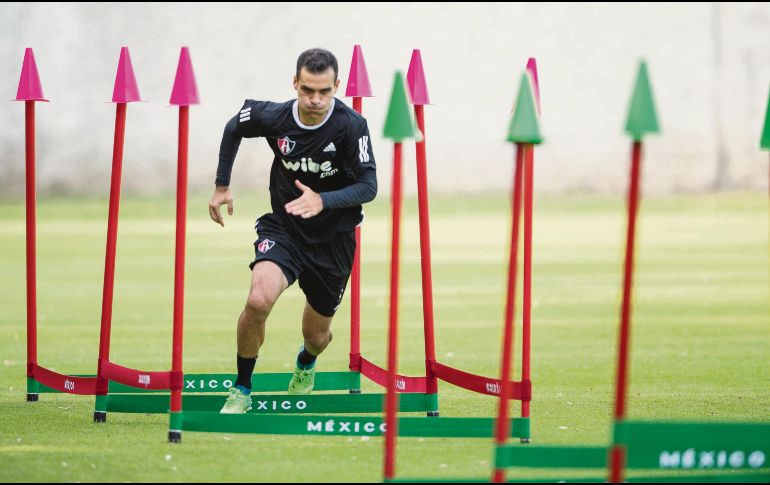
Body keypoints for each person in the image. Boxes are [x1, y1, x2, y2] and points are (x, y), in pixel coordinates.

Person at [209, 48, 377, 414]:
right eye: (306, 90)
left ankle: (305, 361)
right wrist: (222, 184)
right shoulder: (275, 116)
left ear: (337, 86)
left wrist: (324, 200)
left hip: (334, 239)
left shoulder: (351, 126)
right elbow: (234, 125)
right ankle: (241, 389)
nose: (315, 100)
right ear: (294, 83)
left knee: (317, 336)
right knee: (257, 301)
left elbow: (369, 187)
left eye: (324, 91)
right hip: (285, 228)